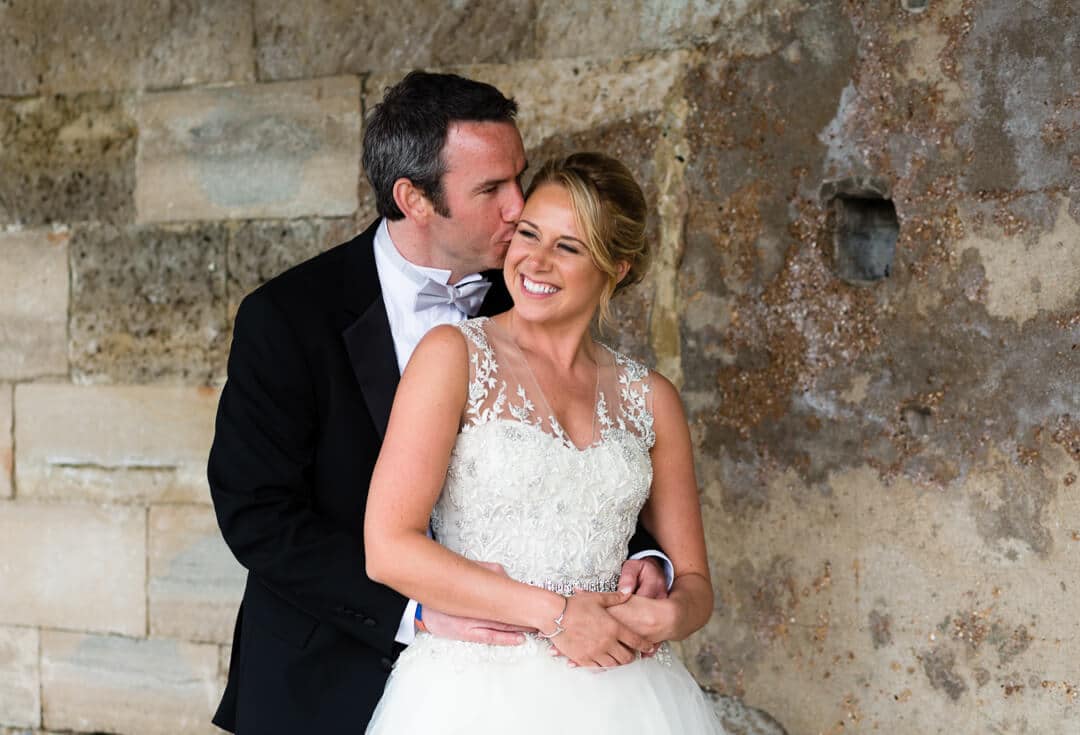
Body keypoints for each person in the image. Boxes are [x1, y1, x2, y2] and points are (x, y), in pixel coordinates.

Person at [207, 72, 670, 733]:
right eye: (491, 189)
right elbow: (258, 515)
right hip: (322, 676)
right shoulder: (286, 318)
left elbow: (591, 448)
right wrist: (418, 612)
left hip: (523, 689)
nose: (519, 206)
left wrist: (647, 559)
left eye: (521, 175)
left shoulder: (535, 289)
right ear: (414, 200)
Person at [363, 152, 726, 733]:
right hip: (473, 694)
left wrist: (671, 616)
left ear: (618, 268)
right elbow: (388, 549)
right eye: (528, 233)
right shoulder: (453, 356)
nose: (536, 259)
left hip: (625, 695)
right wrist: (557, 616)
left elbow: (696, 584)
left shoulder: (652, 397)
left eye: (569, 247)